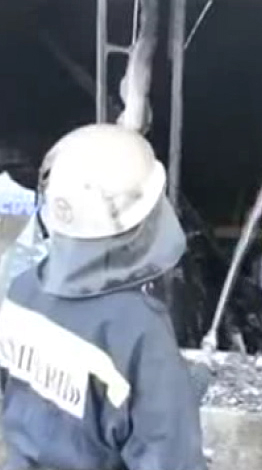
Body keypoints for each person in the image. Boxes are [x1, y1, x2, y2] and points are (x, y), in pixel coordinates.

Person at [0, 124, 208, 470]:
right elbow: (170, 459)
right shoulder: (140, 331)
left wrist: (175, 386)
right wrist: (168, 392)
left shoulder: (22, 292)